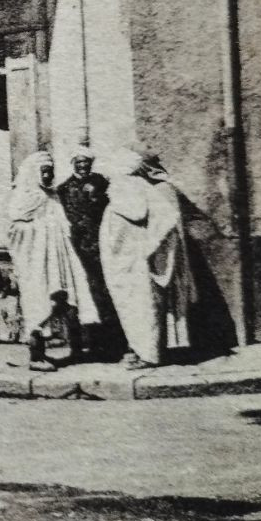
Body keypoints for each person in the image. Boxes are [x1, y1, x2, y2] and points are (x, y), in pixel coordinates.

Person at [100, 149, 195, 370]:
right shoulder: (133, 189)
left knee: (142, 307)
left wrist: (149, 249)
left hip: (136, 262)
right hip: (124, 263)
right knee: (133, 307)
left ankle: (149, 354)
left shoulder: (132, 189)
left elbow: (164, 222)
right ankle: (139, 349)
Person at [6, 151, 99, 347]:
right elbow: (16, 231)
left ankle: (76, 347)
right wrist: (42, 230)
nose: (48, 176)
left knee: (68, 300)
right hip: (38, 261)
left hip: (61, 259)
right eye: (44, 171)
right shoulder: (24, 197)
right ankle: (36, 354)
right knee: (39, 303)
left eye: (51, 171)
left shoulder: (53, 195)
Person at [57, 146, 120, 359]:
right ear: (73, 163)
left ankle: (112, 345)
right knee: (83, 295)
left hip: (102, 244)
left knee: (105, 292)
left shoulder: (102, 182)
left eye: (87, 162)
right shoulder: (63, 188)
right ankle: (83, 344)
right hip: (77, 247)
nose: (83, 166)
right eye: (79, 162)